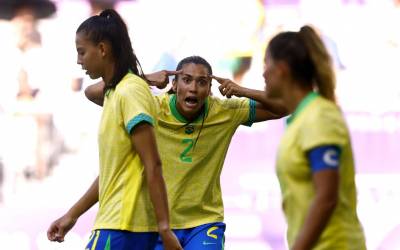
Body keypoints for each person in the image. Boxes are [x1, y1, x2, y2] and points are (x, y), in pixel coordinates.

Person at [85, 55, 288, 249]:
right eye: (187, 80)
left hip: (203, 223)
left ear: (209, 89)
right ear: (174, 85)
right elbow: (92, 92)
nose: (193, 88)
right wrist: (144, 79)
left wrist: (242, 90)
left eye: (201, 82)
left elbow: (284, 106)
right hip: (155, 225)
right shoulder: (151, 106)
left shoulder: (226, 110)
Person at [46, 9, 182, 250]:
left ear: (102, 49)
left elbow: (153, 164)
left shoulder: (130, 91)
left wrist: (165, 229)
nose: (79, 61)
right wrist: (73, 215)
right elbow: (113, 173)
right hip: (120, 224)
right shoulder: (116, 92)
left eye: (81, 52)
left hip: (124, 226)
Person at [262, 25, 366, 249]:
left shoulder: (319, 116)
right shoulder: (301, 119)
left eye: (266, 64)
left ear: (281, 69)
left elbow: (327, 197)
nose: (263, 73)